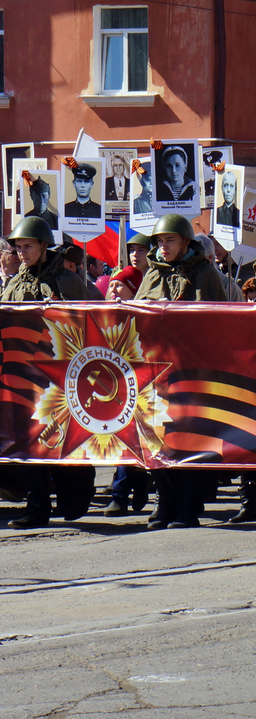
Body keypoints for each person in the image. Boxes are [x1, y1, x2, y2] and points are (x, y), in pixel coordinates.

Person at [1, 217, 99, 529]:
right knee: (29, 443)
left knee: (63, 439)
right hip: (24, 378)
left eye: (27, 246)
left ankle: (75, 495)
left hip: (61, 376)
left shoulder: (67, 281)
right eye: (17, 248)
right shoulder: (15, 282)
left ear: (44, 246)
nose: (21, 253)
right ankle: (37, 506)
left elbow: (95, 316)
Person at [135, 214, 230, 531]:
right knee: (157, 442)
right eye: (160, 242)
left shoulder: (205, 274)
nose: (163, 247)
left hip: (190, 370)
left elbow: (214, 323)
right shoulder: (151, 275)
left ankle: (188, 507)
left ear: (186, 242)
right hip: (154, 372)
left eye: (170, 241)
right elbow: (136, 318)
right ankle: (166, 501)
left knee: (188, 442)